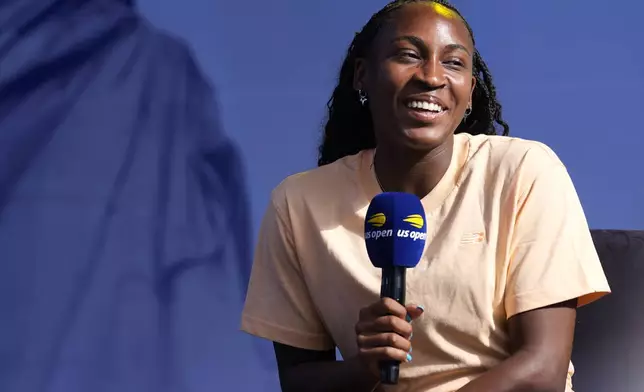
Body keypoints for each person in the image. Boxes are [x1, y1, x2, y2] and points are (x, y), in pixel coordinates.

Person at [241, 1, 611, 391]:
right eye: (408, 55)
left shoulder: (524, 171)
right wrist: (364, 367)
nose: (432, 76)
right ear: (362, 76)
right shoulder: (298, 204)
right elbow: (298, 381)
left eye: (454, 63)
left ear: (470, 91)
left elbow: (543, 368)